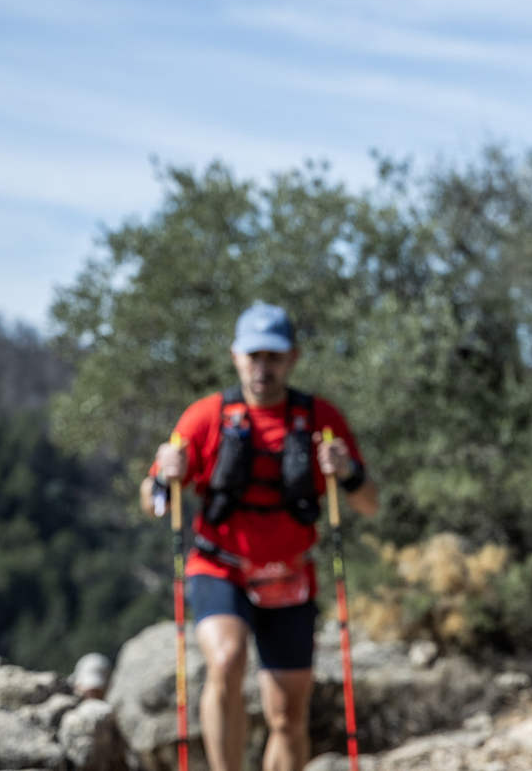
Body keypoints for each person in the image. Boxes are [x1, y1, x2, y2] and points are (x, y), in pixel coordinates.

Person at [142, 301, 378, 771]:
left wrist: (347, 471)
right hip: (219, 568)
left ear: (293, 358)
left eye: (274, 356)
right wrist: (165, 477)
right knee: (226, 660)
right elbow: (154, 502)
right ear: (236, 357)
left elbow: (368, 503)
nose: (263, 368)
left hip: (290, 576)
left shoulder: (319, 419)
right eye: (254, 356)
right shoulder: (206, 417)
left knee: (288, 715)